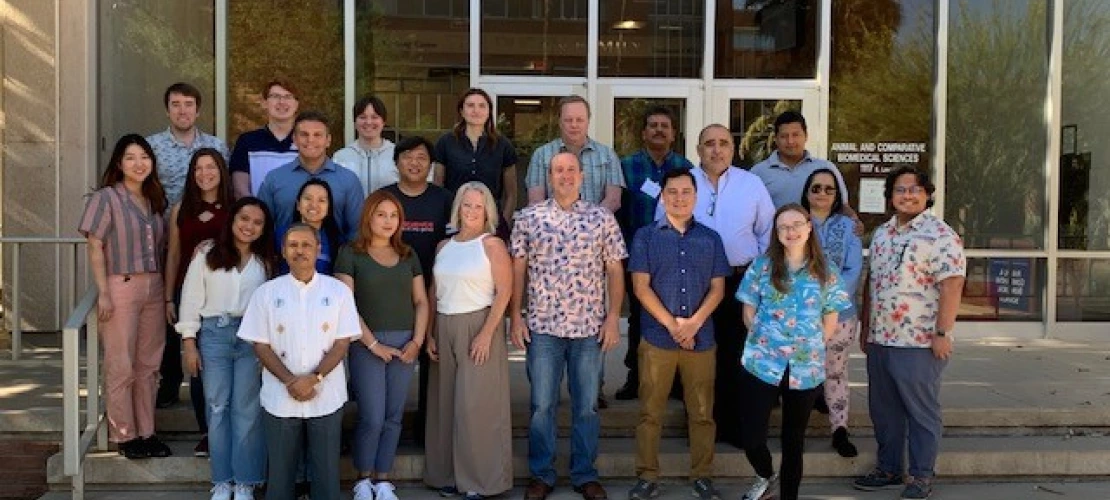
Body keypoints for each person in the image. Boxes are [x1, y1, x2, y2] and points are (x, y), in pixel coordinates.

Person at [510, 152, 627, 500]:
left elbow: (615, 270)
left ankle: (584, 474)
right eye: (558, 170)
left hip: (588, 329)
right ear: (549, 177)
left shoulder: (601, 218)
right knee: (541, 406)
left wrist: (613, 317)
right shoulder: (528, 217)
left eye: (571, 170)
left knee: (586, 406)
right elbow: (517, 270)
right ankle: (542, 474)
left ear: (582, 176)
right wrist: (515, 316)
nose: (565, 175)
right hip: (542, 328)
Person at [853, 167, 966, 500]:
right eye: (900, 190)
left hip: (918, 341)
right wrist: (866, 325)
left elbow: (953, 285)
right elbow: (872, 282)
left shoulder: (940, 234)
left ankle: (920, 476)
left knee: (921, 412)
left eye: (915, 189)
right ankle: (888, 468)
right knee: (884, 411)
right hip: (880, 338)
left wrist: (943, 332)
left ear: (927, 194)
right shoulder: (882, 234)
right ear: (891, 197)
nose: (908, 195)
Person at [735, 204, 852, 500]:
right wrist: (764, 339)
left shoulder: (826, 270)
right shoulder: (762, 266)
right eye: (783, 227)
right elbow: (748, 311)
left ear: (809, 227)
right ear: (776, 233)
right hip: (762, 362)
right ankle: (765, 475)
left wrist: (812, 343)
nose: (791, 231)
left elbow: (831, 317)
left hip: (805, 366)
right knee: (751, 437)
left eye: (797, 224)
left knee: (793, 441)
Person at [237, 224, 361, 500]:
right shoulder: (266, 293)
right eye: (293, 245)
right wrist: (291, 381)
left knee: (326, 475)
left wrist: (314, 378)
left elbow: (342, 343)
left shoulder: (338, 291)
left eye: (306, 245)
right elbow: (260, 344)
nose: (300, 251)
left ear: (318, 249)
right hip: (280, 396)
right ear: (283, 251)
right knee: (280, 477)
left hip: (326, 394)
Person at [626, 169, 729, 500]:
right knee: (650, 413)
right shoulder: (645, 237)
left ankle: (702, 476)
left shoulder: (711, 239)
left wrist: (694, 324)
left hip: (701, 339)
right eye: (672, 192)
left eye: (686, 192)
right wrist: (674, 326)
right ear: (663, 196)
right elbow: (640, 288)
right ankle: (647, 476)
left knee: (702, 413)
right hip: (658, 338)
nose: (679, 198)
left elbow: (718, 288)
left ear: (696, 197)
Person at [78, 134, 172, 459]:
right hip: (121, 285)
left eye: (144, 157)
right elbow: (95, 244)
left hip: (154, 287)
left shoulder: (154, 199)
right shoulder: (106, 198)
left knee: (149, 364)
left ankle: (147, 432)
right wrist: (104, 292)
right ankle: (124, 434)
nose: (138, 164)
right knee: (121, 363)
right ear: (119, 163)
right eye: (130, 157)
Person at [177, 197, 276, 500]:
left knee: (247, 409)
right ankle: (222, 480)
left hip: (251, 338)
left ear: (264, 229)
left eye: (257, 222)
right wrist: (189, 343)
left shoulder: (265, 262)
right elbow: (191, 298)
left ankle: (245, 481)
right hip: (214, 335)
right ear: (232, 220)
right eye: (244, 219)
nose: (249, 226)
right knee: (217, 407)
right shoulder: (207, 254)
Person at [336, 191, 430, 500]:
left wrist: (417, 341)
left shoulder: (408, 254)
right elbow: (346, 305)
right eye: (381, 214)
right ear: (368, 217)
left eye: (394, 215)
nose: (388, 221)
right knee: (372, 416)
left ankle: (383, 479)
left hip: (405, 344)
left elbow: (421, 301)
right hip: (366, 343)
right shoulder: (350, 253)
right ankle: (363, 479)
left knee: (393, 415)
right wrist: (373, 344)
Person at [424, 182, 513, 500]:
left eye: (478, 206)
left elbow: (504, 291)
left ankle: (481, 482)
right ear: (458, 209)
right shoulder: (443, 246)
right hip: (444, 324)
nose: (472, 211)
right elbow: (434, 291)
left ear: (487, 211)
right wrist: (430, 332)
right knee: (446, 404)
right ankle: (449, 476)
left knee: (476, 406)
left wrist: (487, 333)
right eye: (467, 205)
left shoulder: (492, 245)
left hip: (478, 324)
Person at [690, 124, 775, 448]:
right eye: (709, 143)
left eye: (723, 143)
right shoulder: (684, 183)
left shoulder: (751, 184)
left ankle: (734, 428)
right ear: (698, 149)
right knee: (700, 357)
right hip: (696, 284)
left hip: (741, 281)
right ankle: (701, 427)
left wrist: (760, 278)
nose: (717, 149)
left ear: (733, 149)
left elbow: (768, 232)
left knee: (737, 356)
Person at [148, 82, 229, 413]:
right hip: (170, 236)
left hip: (213, 252)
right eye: (176, 104)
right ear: (167, 109)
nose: (182, 110)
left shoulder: (216, 146)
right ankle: (169, 382)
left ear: (198, 110)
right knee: (173, 318)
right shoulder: (152, 146)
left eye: (188, 104)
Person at [615, 105, 695, 401]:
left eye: (665, 126)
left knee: (677, 313)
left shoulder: (687, 167)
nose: (659, 130)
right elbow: (619, 212)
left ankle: (675, 381)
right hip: (638, 255)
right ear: (643, 133)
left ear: (674, 134)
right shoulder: (626, 166)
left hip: (678, 254)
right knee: (639, 318)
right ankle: (636, 377)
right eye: (653, 125)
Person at [381, 136, 453, 446]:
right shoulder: (383, 198)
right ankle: (386, 434)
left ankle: (427, 433)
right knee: (389, 363)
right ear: (396, 162)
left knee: (431, 363)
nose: (414, 163)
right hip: (391, 294)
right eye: (407, 156)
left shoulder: (444, 199)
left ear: (431, 165)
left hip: (435, 293)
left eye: (422, 157)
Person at [162, 148, 234, 456]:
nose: (205, 174)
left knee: (226, 362)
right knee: (197, 362)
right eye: (198, 169)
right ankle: (207, 431)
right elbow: (174, 254)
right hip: (190, 293)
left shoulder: (235, 207)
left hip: (225, 294)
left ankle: (230, 428)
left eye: (211, 167)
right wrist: (169, 296)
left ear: (221, 170)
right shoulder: (182, 209)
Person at [800, 168, 863, 458]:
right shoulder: (794, 223)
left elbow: (853, 269)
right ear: (806, 192)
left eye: (829, 189)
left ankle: (839, 430)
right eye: (816, 188)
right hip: (800, 313)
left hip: (840, 313)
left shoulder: (849, 227)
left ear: (837, 195)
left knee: (835, 371)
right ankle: (796, 431)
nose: (822, 193)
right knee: (801, 371)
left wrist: (829, 302)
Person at [257, 111, 365, 242]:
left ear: (328, 140)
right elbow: (262, 225)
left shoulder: (348, 180)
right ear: (294, 139)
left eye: (317, 135)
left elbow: (356, 230)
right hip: (282, 253)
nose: (310, 140)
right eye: (304, 134)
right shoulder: (274, 179)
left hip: (336, 254)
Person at [433, 88, 518, 237]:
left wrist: (504, 221)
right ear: (461, 111)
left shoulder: (503, 145)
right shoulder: (446, 142)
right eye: (470, 105)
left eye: (482, 106)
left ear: (489, 111)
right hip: (454, 220)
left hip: (491, 222)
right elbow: (437, 186)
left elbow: (511, 193)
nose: (476, 110)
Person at [525, 95, 624, 212]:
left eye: (579, 120)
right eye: (568, 120)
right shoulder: (541, 155)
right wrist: (561, 220)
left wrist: (591, 219)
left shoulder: (607, 155)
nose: (574, 125)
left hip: (596, 222)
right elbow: (536, 201)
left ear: (588, 121)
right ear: (559, 122)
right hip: (552, 222)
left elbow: (613, 200)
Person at [749, 111, 851, 210]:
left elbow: (843, 207)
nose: (790, 141)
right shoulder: (758, 173)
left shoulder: (826, 168)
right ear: (775, 139)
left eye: (795, 135)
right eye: (784, 136)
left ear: (806, 136)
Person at [334, 95, 432, 194]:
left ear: (383, 121)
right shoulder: (341, 157)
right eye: (362, 117)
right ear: (355, 122)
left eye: (374, 117)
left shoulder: (397, 154)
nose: (368, 122)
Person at [229, 79, 300, 198]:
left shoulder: (308, 142)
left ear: (296, 104)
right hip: (258, 210)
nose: (282, 102)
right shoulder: (247, 142)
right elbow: (240, 190)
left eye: (288, 97)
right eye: (275, 96)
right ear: (264, 103)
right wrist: (255, 208)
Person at [275, 178, 343, 275]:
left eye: (321, 200)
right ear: (298, 205)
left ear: (329, 208)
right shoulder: (280, 235)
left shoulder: (336, 241)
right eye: (308, 198)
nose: (314, 205)